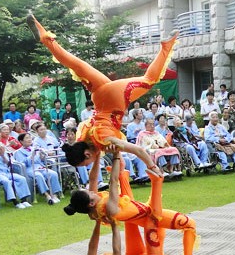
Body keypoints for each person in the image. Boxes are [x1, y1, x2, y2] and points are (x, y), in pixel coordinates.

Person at [28, 14, 175, 183]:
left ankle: (166, 46)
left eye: (86, 163)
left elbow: (139, 150)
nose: (89, 165)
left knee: (150, 80)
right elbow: (95, 166)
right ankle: (45, 38)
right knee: (76, 64)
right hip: (98, 95)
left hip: (115, 98)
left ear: (87, 154)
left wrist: (152, 166)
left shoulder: (104, 140)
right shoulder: (82, 138)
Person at [57, 162, 207, 255]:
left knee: (134, 220)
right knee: (152, 221)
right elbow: (116, 251)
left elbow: (93, 245)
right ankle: (155, 181)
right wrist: (115, 226)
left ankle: (126, 176)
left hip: (134, 254)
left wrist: (97, 223)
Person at [0, 132, 33, 209]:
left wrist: (2, 155)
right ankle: (15, 202)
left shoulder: (0, 149)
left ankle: (24, 200)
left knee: (21, 178)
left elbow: (8, 163)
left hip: (6, 172)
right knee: (6, 181)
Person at [15, 133, 62, 204]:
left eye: (30, 138)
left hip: (40, 167)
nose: (29, 139)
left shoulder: (34, 149)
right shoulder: (18, 152)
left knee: (53, 174)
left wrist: (41, 156)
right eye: (27, 138)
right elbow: (23, 164)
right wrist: (31, 156)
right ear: (21, 141)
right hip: (29, 169)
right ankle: (47, 195)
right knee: (38, 176)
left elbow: (40, 161)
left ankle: (54, 195)